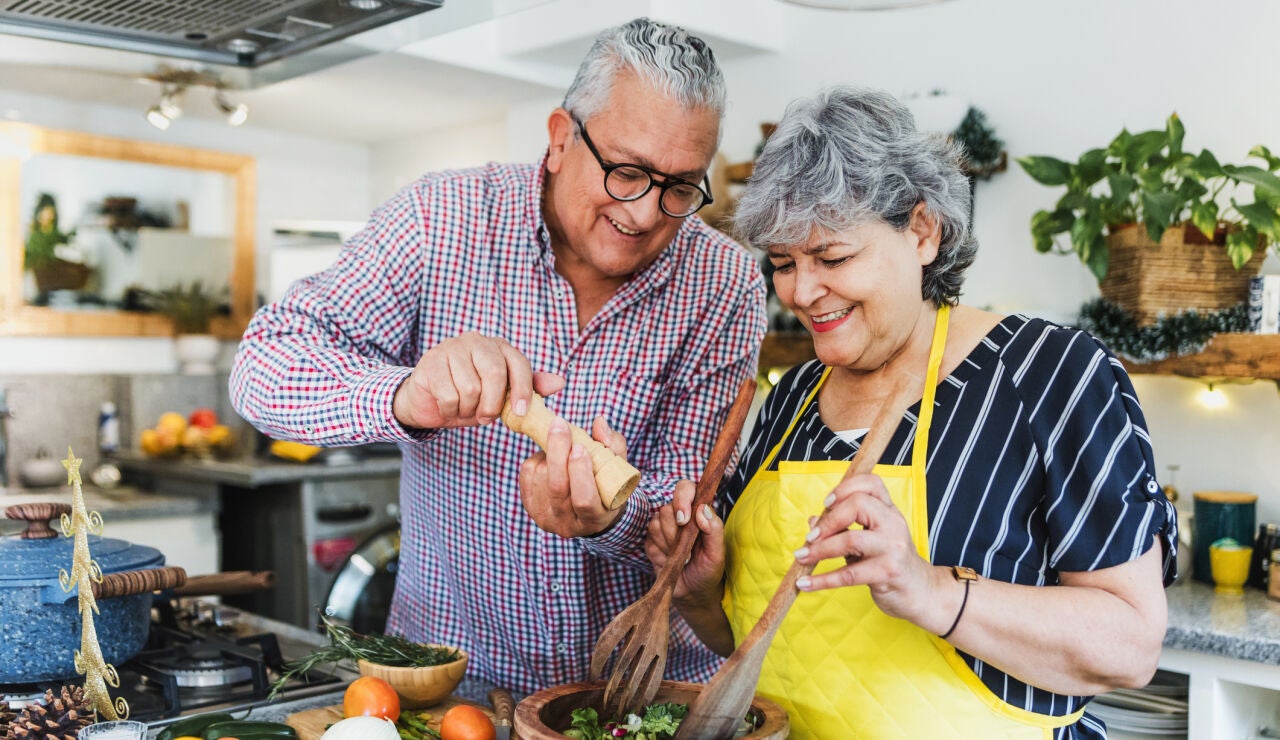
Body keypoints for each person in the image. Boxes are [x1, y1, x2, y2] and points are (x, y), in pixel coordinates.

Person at [230, 18, 766, 694]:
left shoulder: (723, 283)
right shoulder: (441, 218)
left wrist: (613, 517)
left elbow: (690, 503)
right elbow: (264, 366)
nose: (646, 212)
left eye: (681, 187)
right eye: (627, 172)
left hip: (641, 693)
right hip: (451, 685)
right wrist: (408, 397)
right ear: (561, 139)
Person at [646, 87, 1175, 739]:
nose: (802, 291)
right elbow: (755, 646)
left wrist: (932, 593)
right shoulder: (791, 400)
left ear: (922, 231)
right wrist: (699, 592)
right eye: (782, 263)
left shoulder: (1050, 374)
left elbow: (1130, 645)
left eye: (833, 257)